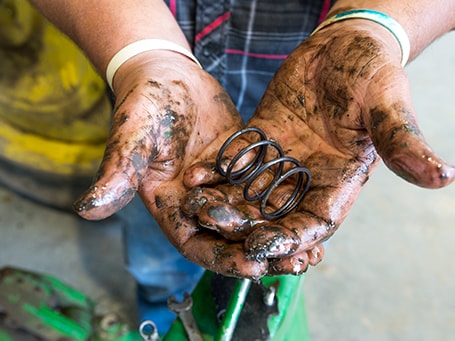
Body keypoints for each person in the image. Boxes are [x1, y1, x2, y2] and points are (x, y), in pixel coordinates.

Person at [29, 0, 455, 333]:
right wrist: (143, 53)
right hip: (161, 114)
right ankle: (163, 310)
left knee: (271, 245)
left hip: (314, 102)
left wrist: (374, 25)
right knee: (160, 248)